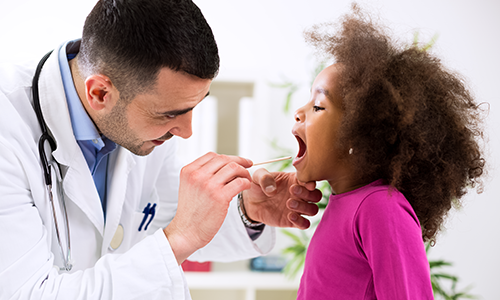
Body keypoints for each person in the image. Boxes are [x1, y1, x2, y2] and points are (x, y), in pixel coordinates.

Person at [0, 0, 322, 299]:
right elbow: (29, 293)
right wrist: (177, 240)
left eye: (193, 107)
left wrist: (246, 210)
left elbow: (165, 217)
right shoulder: (9, 129)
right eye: (170, 114)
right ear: (100, 93)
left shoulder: (141, 130)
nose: (186, 131)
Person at [292, 5, 486, 299]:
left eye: (318, 106)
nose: (299, 112)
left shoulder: (380, 209)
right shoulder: (345, 202)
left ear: (358, 132)